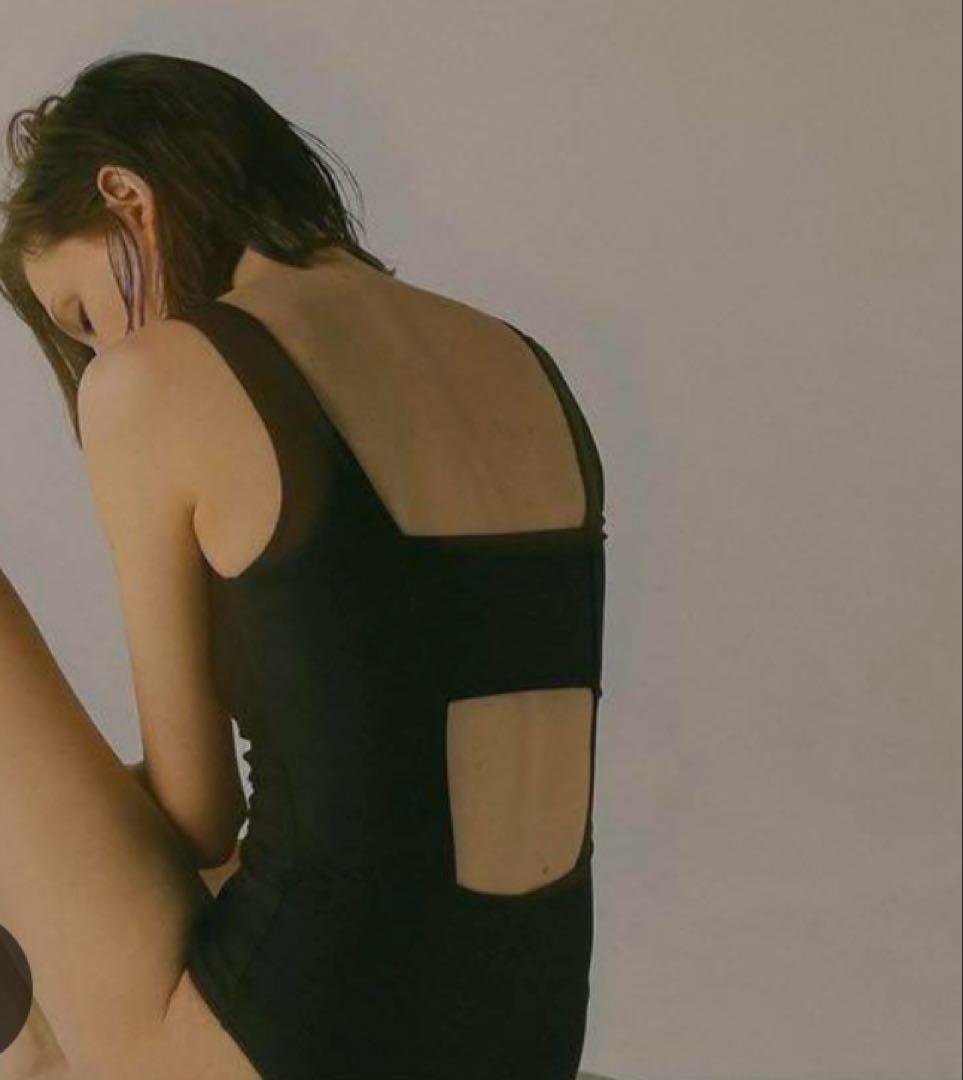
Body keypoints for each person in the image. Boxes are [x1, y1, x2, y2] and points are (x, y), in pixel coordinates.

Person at [0, 50, 607, 1080]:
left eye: (85, 317)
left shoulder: (160, 377)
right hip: (528, 1035)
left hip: (298, 1044)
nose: (101, 355)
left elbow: (200, 820)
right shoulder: (520, 358)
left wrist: (33, 846)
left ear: (126, 198)